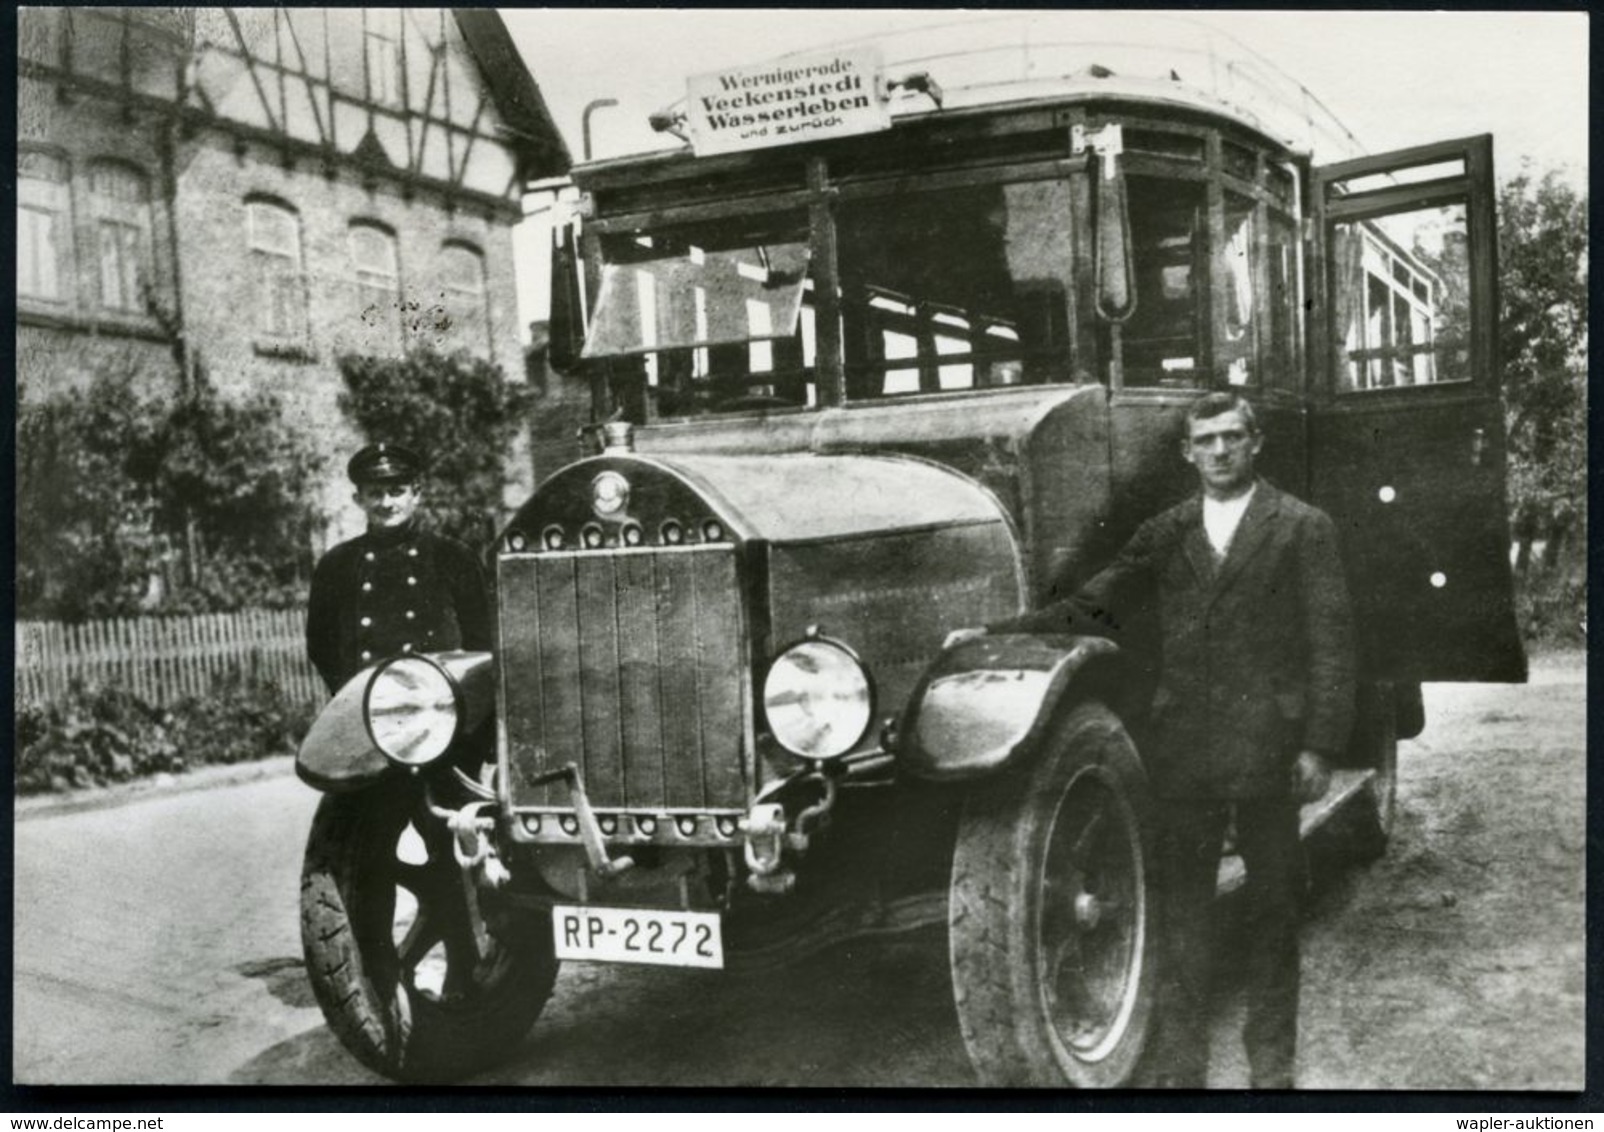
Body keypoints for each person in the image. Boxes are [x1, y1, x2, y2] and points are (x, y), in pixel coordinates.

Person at [950, 391, 1355, 1089]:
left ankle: (1273, 1073)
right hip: (1187, 753)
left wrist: (1318, 747)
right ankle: (1181, 1071)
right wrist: (998, 635)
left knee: (1273, 914)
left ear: (1256, 444)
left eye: (1233, 437)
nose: (1220, 451)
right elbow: (1096, 602)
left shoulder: (1301, 528)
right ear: (1187, 452)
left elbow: (1332, 643)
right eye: (1207, 440)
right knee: (1184, 917)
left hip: (1270, 753)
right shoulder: (1167, 531)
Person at [306, 443, 491, 695]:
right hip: (368, 703)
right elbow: (321, 646)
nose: (387, 503)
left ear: (416, 495)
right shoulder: (337, 564)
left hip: (441, 704)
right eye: (375, 493)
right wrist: (351, 695)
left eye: (396, 491)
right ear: (358, 500)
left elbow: (483, 639)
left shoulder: (453, 556)